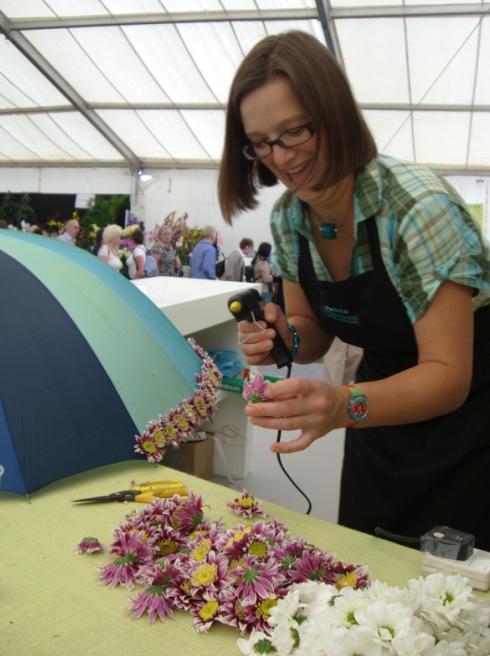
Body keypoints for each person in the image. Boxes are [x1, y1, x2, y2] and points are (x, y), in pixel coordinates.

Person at [217, 31, 490, 549]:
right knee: (367, 565)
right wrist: (283, 339)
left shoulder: (416, 208)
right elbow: (312, 329)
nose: (281, 157)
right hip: (380, 413)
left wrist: (341, 406)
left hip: (471, 425)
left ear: (334, 112)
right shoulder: (291, 218)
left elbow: (449, 376)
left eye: (294, 131)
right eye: (261, 142)